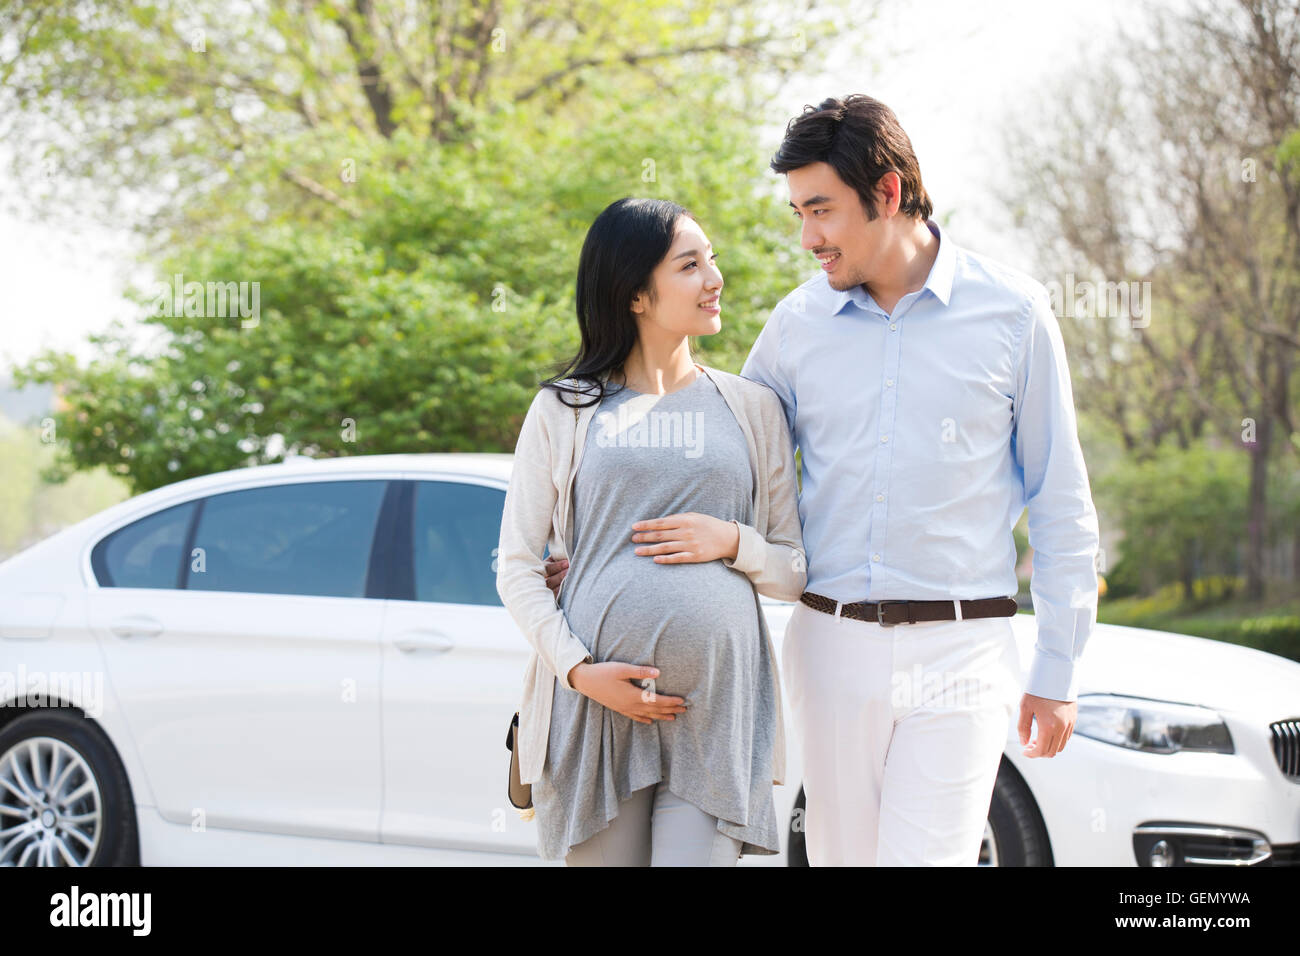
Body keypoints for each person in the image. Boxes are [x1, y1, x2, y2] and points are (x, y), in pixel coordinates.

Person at [546, 96, 1102, 866]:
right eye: (798, 213)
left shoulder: (1014, 314)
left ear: (888, 194)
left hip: (963, 648)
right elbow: (725, 459)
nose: (808, 238)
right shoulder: (798, 325)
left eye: (822, 211)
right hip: (830, 643)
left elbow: (1062, 500)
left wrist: (1059, 669)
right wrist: (603, 550)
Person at [495, 197, 806, 866]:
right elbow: (516, 566)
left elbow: (793, 571)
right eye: (690, 265)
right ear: (636, 293)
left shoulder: (751, 408)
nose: (714, 279)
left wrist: (733, 542)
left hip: (716, 712)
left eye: (711, 260)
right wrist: (580, 673)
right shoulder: (565, 407)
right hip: (596, 713)